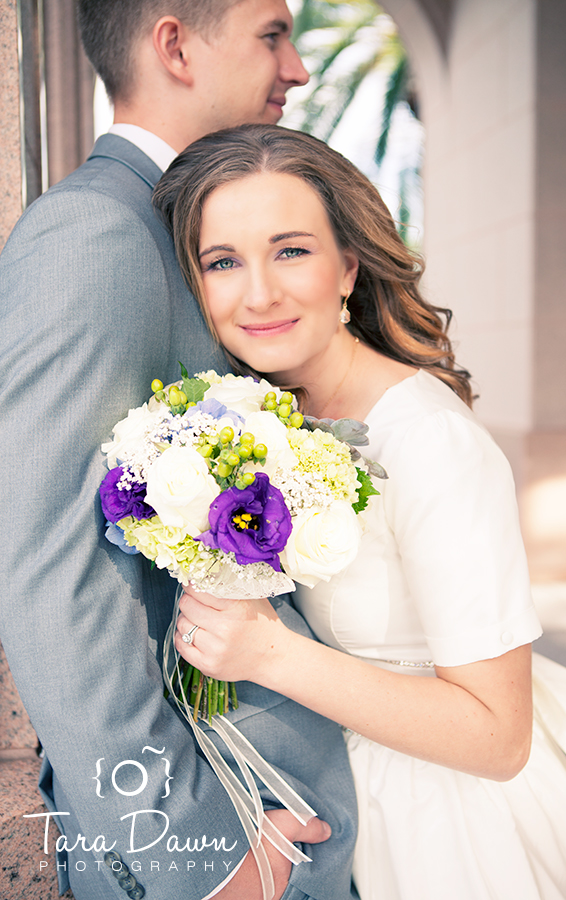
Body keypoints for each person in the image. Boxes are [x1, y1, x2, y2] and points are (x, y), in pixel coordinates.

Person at [152, 123, 566, 900]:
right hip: (329, 799)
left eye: (291, 249)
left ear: (349, 267)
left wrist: (270, 657)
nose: (259, 292)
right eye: (223, 261)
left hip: (445, 825)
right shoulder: (264, 418)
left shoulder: (429, 442)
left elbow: (498, 735)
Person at [0, 6, 360, 900]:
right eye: (273, 33)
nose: (299, 68)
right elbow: (43, 568)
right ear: (174, 46)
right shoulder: (95, 234)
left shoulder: (172, 222)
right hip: (225, 830)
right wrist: (193, 855)